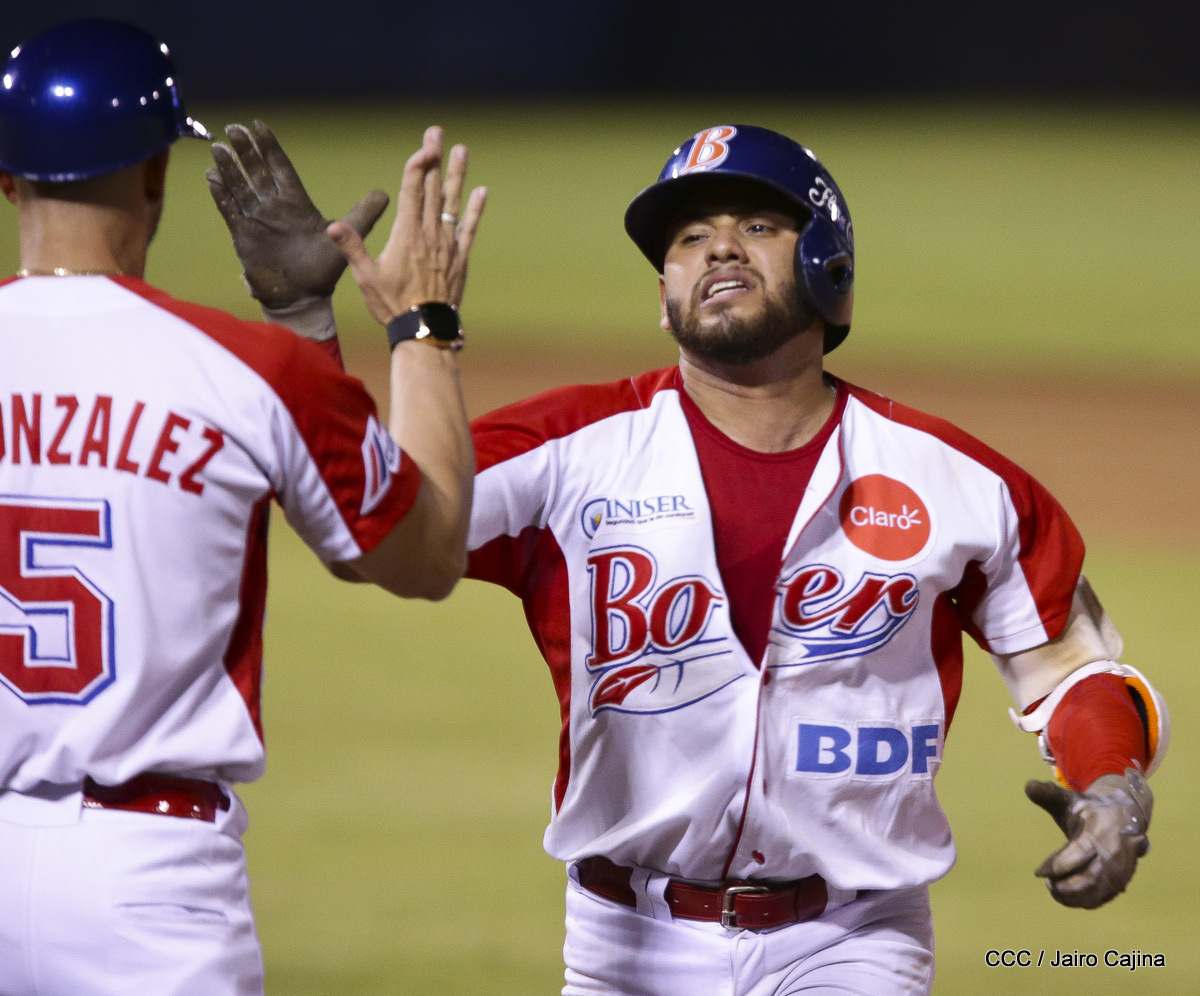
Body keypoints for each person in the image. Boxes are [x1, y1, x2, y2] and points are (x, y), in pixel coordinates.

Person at [219, 124, 1167, 995]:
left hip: (855, 939)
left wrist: (1110, 784)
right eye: (689, 238)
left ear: (830, 262)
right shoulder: (569, 448)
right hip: (623, 940)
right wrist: (302, 321)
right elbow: (371, 529)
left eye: (757, 225)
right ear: (664, 297)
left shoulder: (958, 482)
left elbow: (1071, 672)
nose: (717, 249)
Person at [0, 18, 483, 996]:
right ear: (156, 173)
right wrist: (419, 323)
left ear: (7, 180)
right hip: (148, 884)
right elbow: (424, 554)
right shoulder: (247, 370)